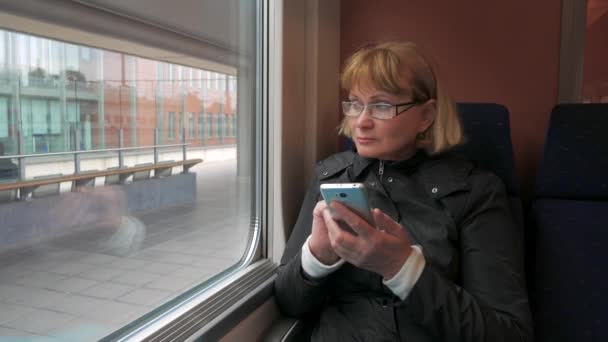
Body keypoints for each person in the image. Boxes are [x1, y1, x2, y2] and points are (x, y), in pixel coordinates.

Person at [274, 41, 533, 341]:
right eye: (355, 103)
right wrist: (318, 256)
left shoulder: (476, 192)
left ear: (426, 115)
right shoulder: (330, 176)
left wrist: (402, 268)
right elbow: (289, 300)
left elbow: (509, 334)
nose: (361, 121)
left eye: (382, 105)